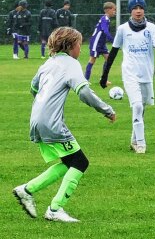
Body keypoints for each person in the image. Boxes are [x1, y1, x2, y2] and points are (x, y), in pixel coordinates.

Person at [12, 27, 116, 223]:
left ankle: (27, 190)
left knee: (69, 162)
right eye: (79, 44)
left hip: (36, 120)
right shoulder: (71, 64)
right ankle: (54, 209)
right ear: (70, 46)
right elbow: (84, 93)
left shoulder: (48, 63)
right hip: (51, 123)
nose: (81, 48)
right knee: (80, 162)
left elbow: (34, 87)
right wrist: (107, 110)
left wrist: (44, 106)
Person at [99, 0, 155, 154]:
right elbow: (113, 53)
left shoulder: (151, 28)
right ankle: (141, 144)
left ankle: (134, 140)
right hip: (129, 73)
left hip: (146, 74)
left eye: (140, 7)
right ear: (130, 10)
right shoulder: (123, 29)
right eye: (135, 8)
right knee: (137, 105)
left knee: (142, 109)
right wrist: (104, 75)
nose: (138, 11)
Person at [84, 2, 116, 83]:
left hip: (102, 44)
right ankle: (85, 80)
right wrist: (113, 41)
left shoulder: (107, 19)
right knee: (92, 60)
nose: (115, 12)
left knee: (108, 59)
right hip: (96, 43)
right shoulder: (104, 19)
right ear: (108, 10)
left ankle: (103, 80)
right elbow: (105, 31)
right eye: (114, 10)